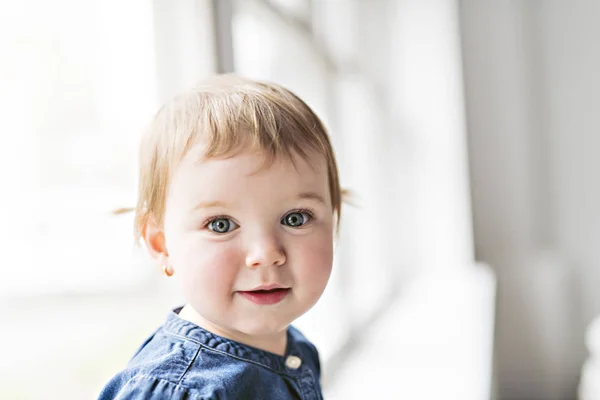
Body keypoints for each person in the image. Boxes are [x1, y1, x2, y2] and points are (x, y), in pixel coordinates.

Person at [98, 74, 343, 399]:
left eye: (295, 218)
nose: (266, 253)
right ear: (162, 245)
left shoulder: (293, 347)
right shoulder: (179, 391)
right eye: (221, 225)